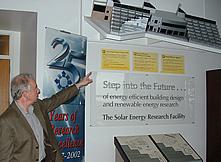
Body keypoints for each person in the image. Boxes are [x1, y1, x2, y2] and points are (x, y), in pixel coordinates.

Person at [0, 72, 93, 162]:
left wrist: (79, 84)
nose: (38, 91)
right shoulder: (6, 121)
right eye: (35, 88)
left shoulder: (38, 106)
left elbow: (57, 99)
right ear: (25, 94)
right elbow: (5, 158)